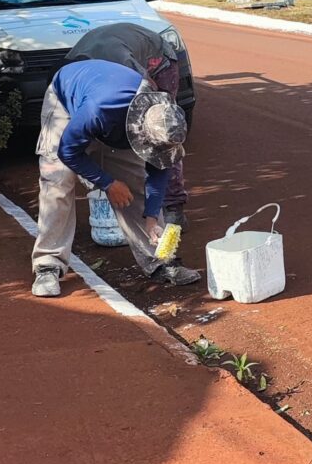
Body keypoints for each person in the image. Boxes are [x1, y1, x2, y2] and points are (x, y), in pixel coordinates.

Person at [31, 57, 200, 298]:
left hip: (116, 114)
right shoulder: (100, 110)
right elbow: (67, 151)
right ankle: (48, 264)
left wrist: (152, 216)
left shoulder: (162, 114)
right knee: (58, 180)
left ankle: (159, 260)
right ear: (139, 130)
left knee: (135, 184)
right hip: (66, 101)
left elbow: (159, 166)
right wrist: (108, 183)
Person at [64, 21, 188, 227]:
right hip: (113, 65)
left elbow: (147, 87)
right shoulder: (79, 74)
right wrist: (105, 179)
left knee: (163, 130)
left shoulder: (124, 68)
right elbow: (75, 140)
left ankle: (173, 205)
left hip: (158, 62)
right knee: (130, 130)